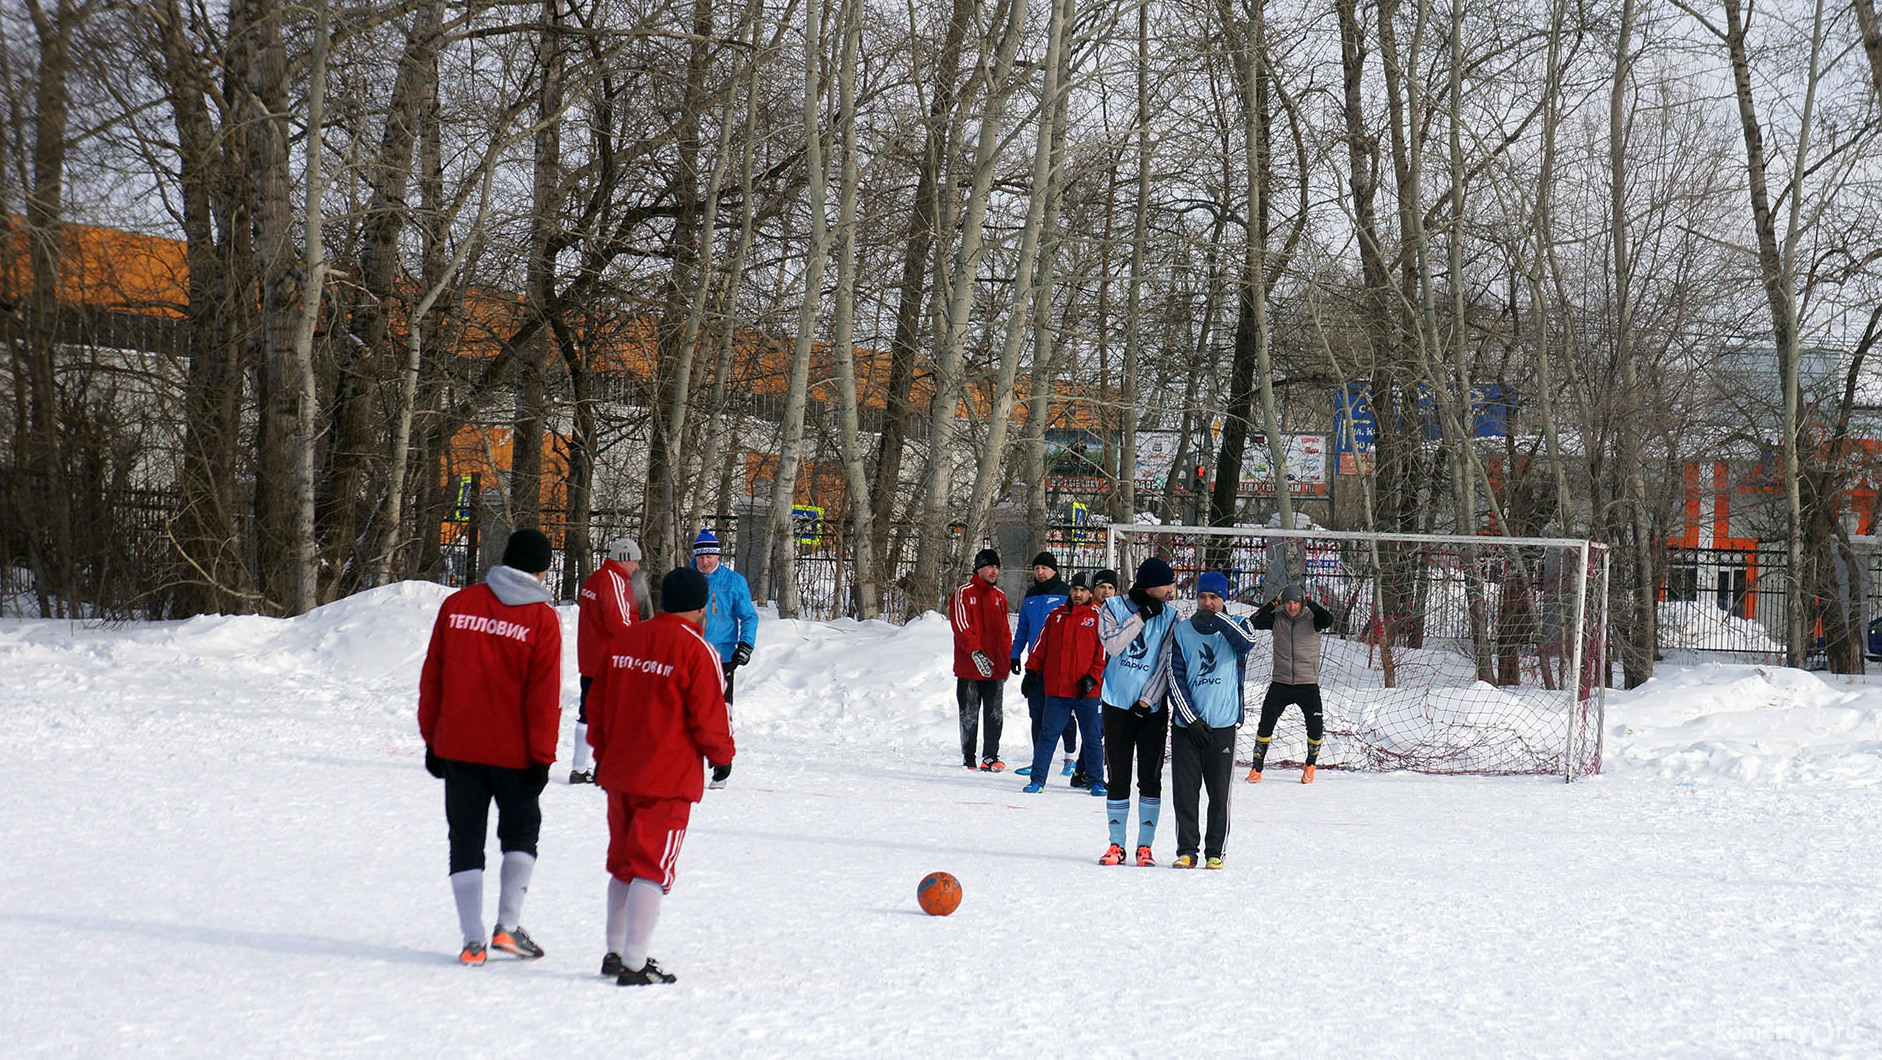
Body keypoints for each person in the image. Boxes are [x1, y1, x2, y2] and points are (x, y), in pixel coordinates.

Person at [417, 528, 562, 965]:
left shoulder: (457, 605)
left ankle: (472, 940)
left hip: (458, 745)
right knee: (520, 834)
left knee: (464, 840)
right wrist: (542, 756)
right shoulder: (541, 619)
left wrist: (432, 737)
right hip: (514, 752)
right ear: (541, 570)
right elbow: (543, 697)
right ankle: (508, 928)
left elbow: (433, 677)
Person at [587, 565, 736, 986]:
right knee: (652, 867)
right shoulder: (697, 649)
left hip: (619, 770)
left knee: (622, 864)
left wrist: (601, 753)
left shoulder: (624, 640)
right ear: (702, 606)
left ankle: (615, 952)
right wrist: (722, 757)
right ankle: (635, 963)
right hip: (667, 777)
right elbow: (709, 717)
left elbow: (596, 706)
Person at [1167, 572, 1257, 869]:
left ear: (1224, 599)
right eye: (1203, 597)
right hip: (1188, 728)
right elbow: (1174, 676)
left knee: (1219, 794)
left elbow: (1245, 644)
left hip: (1222, 726)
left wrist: (1217, 619)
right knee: (1185, 792)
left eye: (1213, 598)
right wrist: (1190, 719)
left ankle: (1215, 851)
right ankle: (1186, 850)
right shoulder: (1182, 632)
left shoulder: (1238, 626)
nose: (1207, 602)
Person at [1097, 557, 1180, 867]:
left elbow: (1166, 662)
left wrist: (1148, 700)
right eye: (1167, 583)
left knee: (1150, 777)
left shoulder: (1172, 616)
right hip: (1116, 702)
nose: (1171, 589)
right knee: (1117, 776)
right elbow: (1114, 645)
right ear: (1150, 585)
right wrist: (1142, 616)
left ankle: (1145, 847)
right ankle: (1115, 844)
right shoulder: (1113, 607)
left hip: (1151, 709)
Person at [1020, 572, 1107, 795]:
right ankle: (1037, 780)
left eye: (1083, 591)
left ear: (1090, 593)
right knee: (1048, 735)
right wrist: (1031, 671)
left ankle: (1096, 781)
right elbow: (1040, 646)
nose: (1078, 594)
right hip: (1058, 690)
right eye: (1075, 590)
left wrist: (1092, 677)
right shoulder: (1055, 616)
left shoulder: (1098, 618)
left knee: (1092, 737)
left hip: (1086, 690)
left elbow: (1103, 653)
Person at [572, 537, 650, 785]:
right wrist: (642, 639)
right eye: (635, 561)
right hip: (609, 660)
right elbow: (619, 624)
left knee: (588, 711)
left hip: (591, 657)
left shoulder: (595, 579)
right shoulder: (613, 581)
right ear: (625, 559)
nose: (637, 567)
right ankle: (603, 766)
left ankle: (579, 766)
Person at [1248, 583, 1334, 784]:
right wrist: (1273, 603)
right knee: (1265, 725)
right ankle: (1256, 768)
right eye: (1288, 603)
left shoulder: (1313, 619)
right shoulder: (1277, 618)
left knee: (1315, 727)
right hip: (1281, 682)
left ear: (1302, 602)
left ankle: (1310, 765)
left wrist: (1311, 602)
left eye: (1296, 602)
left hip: (1307, 683)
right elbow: (1254, 621)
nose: (1292, 607)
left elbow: (1328, 619)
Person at [1012, 552, 1074, 780]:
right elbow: (1023, 629)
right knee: (1036, 711)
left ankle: (1070, 758)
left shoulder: (1066, 593)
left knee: (1064, 712)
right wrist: (1014, 654)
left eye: (1044, 568)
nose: (1040, 572)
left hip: (1060, 665)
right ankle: (1038, 760)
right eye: (1036, 568)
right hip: (1036, 664)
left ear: (1054, 570)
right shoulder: (1030, 595)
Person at [950, 548, 1012, 771]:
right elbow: (962, 626)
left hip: (995, 668)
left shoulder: (1000, 597)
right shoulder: (963, 593)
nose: (994, 570)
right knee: (969, 713)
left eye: (996, 567)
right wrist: (976, 652)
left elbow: (1005, 633)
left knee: (994, 713)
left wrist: (1007, 662)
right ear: (979, 568)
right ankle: (969, 757)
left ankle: (990, 756)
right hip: (971, 667)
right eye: (990, 566)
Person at [692, 528, 759, 706]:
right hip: (691, 655)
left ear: (718, 556)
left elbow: (749, 616)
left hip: (723, 657)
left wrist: (746, 644)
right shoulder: (686, 580)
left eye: (709, 557)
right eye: (700, 557)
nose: (705, 562)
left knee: (721, 709)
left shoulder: (733, 581)